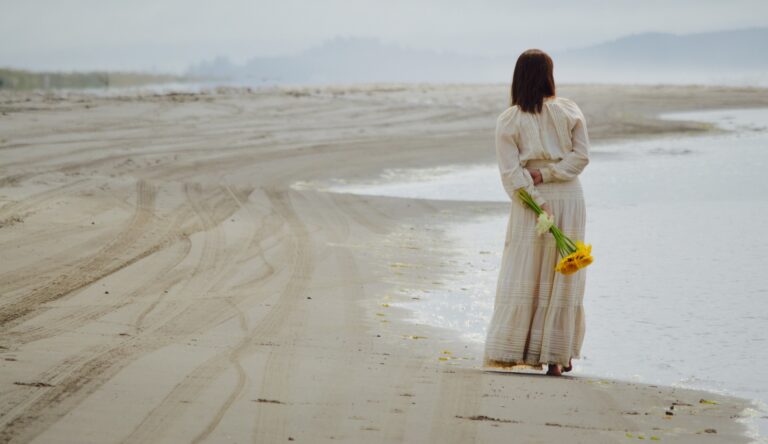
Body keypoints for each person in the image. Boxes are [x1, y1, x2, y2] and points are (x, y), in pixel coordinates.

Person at [482, 49, 591, 377]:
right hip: (570, 198)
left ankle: (524, 348)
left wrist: (536, 196)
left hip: (533, 200)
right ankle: (558, 356)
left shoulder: (509, 119)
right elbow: (581, 158)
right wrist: (553, 175)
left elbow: (511, 173)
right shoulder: (569, 109)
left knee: (529, 270)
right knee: (562, 273)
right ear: (548, 75)